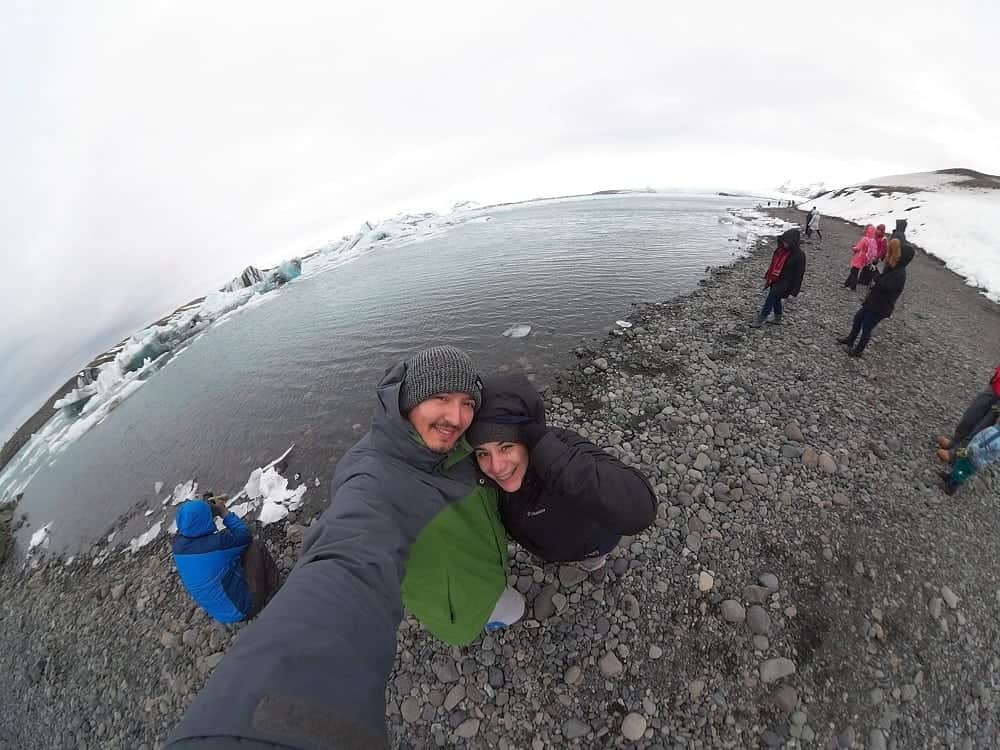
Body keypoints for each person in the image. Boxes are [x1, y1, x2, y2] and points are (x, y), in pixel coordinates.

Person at [166, 346, 517, 749]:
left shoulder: (456, 441)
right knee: (510, 609)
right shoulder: (373, 475)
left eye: (467, 402)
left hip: (484, 566)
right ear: (408, 399)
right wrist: (251, 729)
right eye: (440, 397)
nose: (456, 417)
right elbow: (348, 561)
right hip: (459, 604)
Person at [467, 375, 656, 572]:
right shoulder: (477, 470)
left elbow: (640, 509)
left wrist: (554, 460)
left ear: (530, 438)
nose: (496, 467)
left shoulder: (563, 451)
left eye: (506, 446)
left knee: (592, 560)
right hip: (539, 544)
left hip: (590, 546)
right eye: (482, 453)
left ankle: (592, 563)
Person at [172, 494, 279, 624]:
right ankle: (277, 592)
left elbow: (193, 520)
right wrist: (224, 512)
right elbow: (245, 535)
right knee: (256, 547)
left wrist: (204, 508)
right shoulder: (217, 545)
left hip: (221, 613)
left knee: (233, 555)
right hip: (244, 608)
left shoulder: (178, 547)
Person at [837, 238, 914, 357]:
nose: (896, 253)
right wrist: (877, 273)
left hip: (881, 307)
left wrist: (875, 274)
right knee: (858, 318)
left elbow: (886, 286)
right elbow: (883, 281)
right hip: (873, 301)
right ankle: (850, 340)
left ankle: (858, 351)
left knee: (866, 326)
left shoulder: (900, 273)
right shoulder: (894, 267)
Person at [936, 366, 1000, 463]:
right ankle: (955, 442)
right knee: (970, 416)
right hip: (996, 385)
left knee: (981, 428)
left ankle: (956, 455)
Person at [751, 228, 806, 327]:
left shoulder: (800, 255)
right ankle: (778, 318)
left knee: (771, 296)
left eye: (787, 242)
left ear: (793, 242)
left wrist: (795, 291)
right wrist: (768, 273)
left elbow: (799, 274)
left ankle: (761, 318)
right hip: (776, 278)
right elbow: (774, 263)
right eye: (784, 241)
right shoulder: (781, 250)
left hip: (787, 281)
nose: (784, 243)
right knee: (776, 298)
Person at [942, 424, 1000, 495]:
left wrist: (971, 450)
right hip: (978, 459)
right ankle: (951, 477)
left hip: (974, 457)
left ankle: (951, 487)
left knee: (961, 471)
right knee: (960, 466)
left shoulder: (995, 435)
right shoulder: (995, 431)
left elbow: (984, 446)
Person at [844, 225, 878, 290]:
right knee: (854, 270)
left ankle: (852, 287)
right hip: (864, 257)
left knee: (854, 271)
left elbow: (858, 248)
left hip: (859, 256)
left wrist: (853, 248)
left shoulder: (864, 239)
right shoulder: (872, 240)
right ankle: (847, 284)